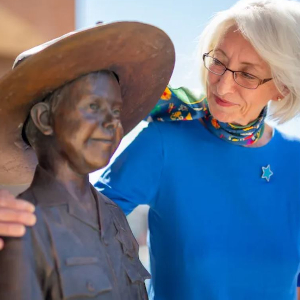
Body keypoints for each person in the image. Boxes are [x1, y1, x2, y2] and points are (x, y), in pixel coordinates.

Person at [1, 0, 300, 299]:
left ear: (283, 87)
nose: (222, 87)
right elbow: (75, 218)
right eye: (219, 62)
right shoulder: (163, 143)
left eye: (247, 75)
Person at [0, 22, 175, 300]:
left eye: (116, 111)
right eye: (93, 107)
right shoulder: (24, 226)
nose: (111, 123)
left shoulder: (113, 215)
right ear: (44, 119)